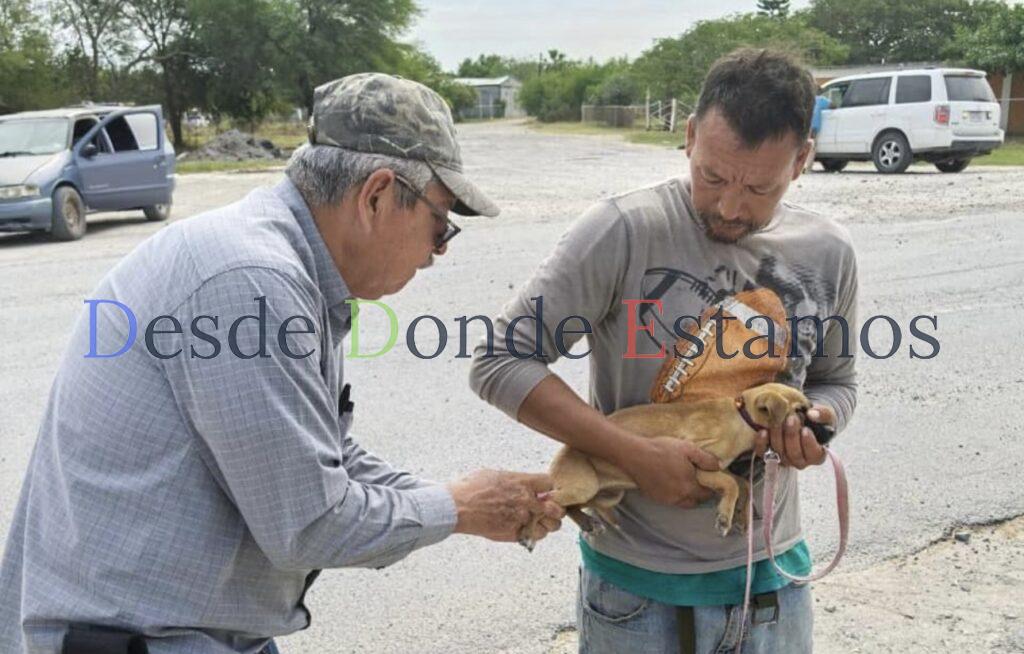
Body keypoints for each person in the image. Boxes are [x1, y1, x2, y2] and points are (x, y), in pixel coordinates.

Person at [0, 73, 563, 654]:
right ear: (375, 196)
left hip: (191, 629)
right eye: (440, 224)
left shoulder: (286, 270)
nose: (437, 252)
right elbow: (310, 523)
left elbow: (327, 456)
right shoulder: (251, 282)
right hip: (141, 637)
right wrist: (461, 506)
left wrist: (472, 499)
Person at [470, 48, 858, 653]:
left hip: (770, 587)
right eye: (713, 176)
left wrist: (820, 424)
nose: (731, 206)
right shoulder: (624, 230)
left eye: (759, 186)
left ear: (802, 160)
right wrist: (634, 454)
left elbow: (837, 381)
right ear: (688, 137)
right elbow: (500, 360)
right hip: (635, 596)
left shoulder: (828, 252)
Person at [805, 93, 832, 172]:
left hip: (806, 125)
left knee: (806, 145)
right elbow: (833, 105)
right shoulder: (820, 100)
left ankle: (804, 167)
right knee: (811, 147)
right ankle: (808, 168)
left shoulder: (806, 99)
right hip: (814, 127)